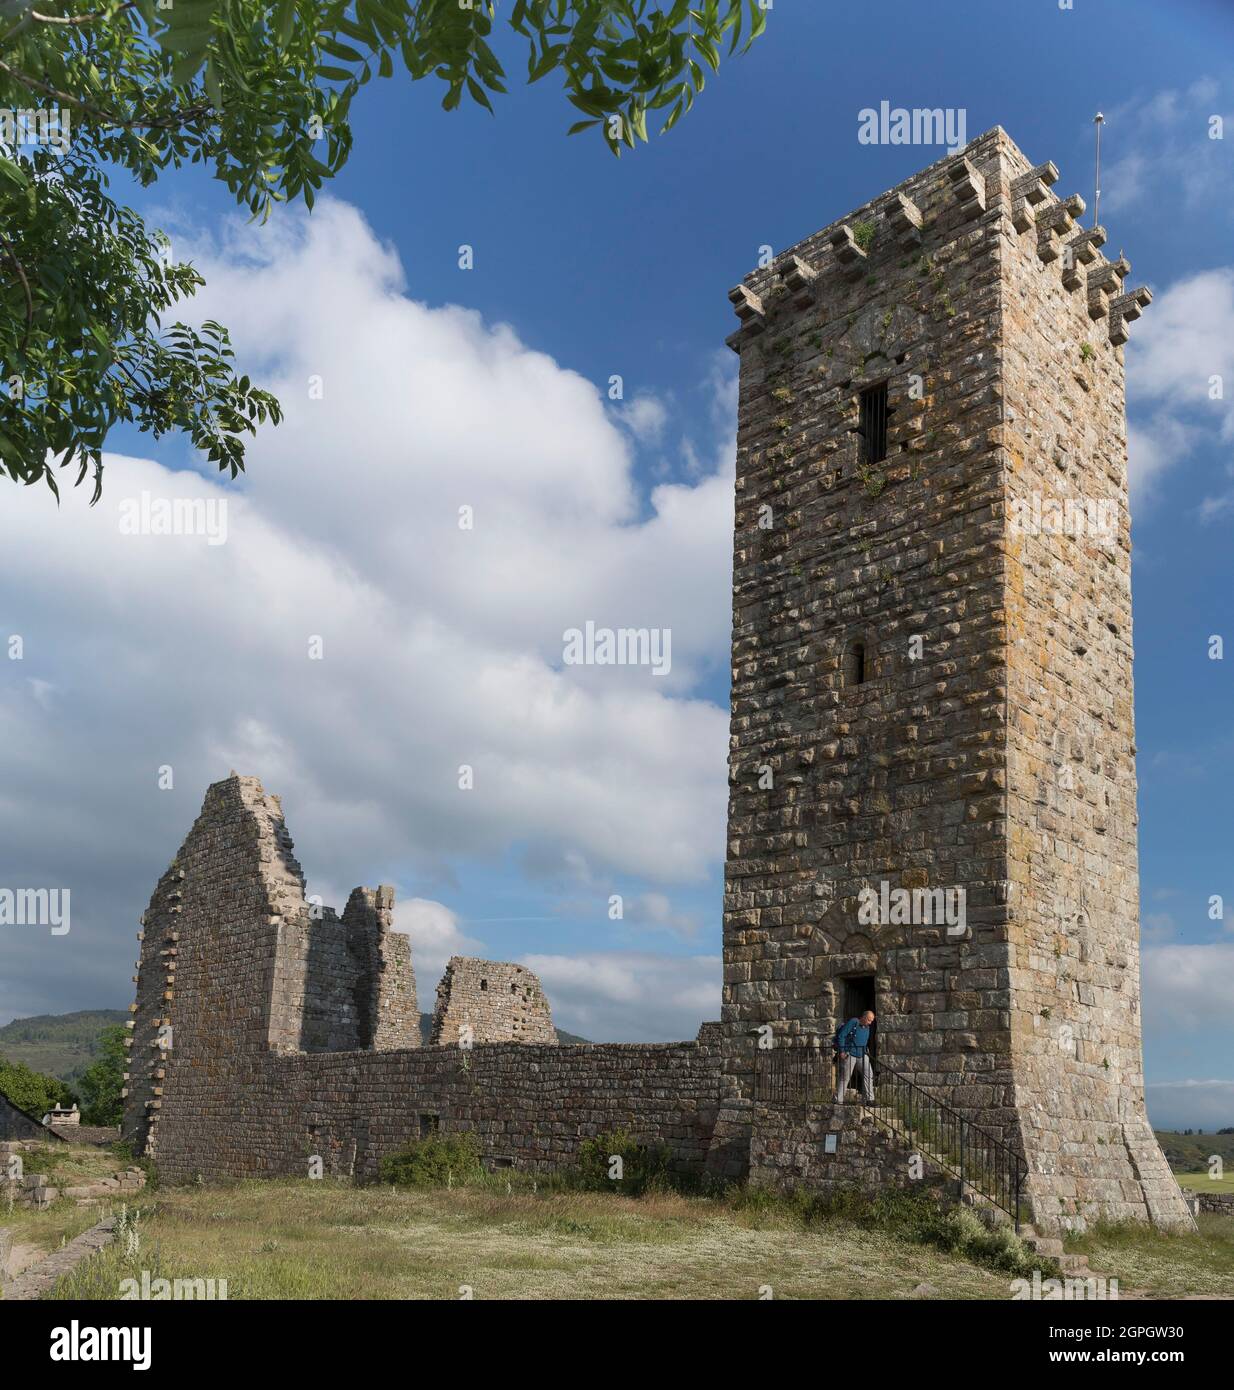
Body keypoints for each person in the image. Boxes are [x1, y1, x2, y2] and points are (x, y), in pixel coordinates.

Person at [833, 1009, 876, 1104]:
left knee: (869, 1075)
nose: (870, 1023)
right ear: (864, 1017)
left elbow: (864, 1041)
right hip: (850, 1053)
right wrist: (842, 1051)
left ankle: (869, 1100)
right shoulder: (854, 1022)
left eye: (872, 1021)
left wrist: (866, 1051)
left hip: (862, 1054)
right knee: (845, 1077)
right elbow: (842, 1035)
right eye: (869, 1020)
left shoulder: (867, 1028)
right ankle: (838, 1099)